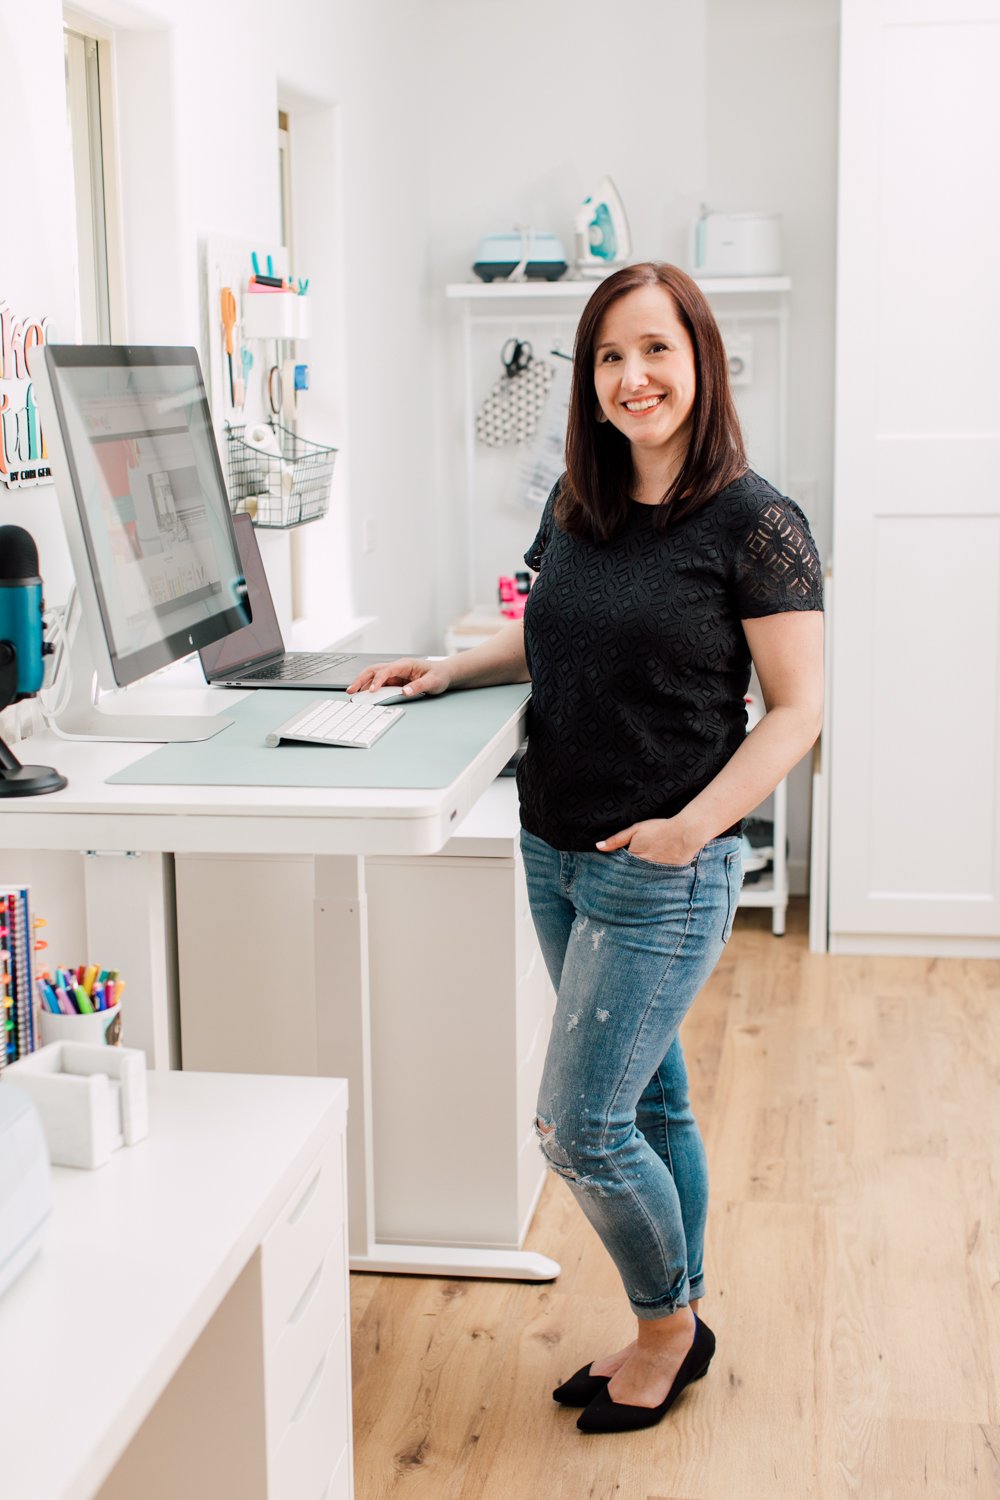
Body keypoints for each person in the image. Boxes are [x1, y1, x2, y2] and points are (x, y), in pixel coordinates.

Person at [347, 261, 824, 1435]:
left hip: (663, 865)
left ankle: (667, 1327)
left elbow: (801, 710)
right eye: (610, 356)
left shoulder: (755, 522)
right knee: (649, 1104)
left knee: (578, 1125)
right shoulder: (578, 498)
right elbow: (550, 632)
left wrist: (689, 829)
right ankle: (679, 1312)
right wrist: (447, 667)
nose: (633, 376)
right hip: (554, 847)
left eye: (655, 349)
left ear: (700, 359)